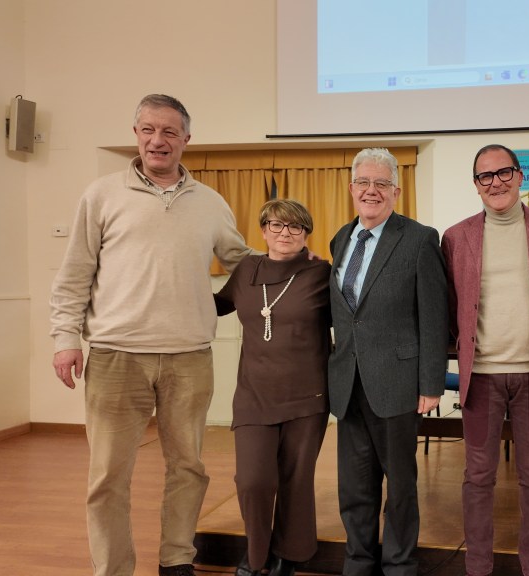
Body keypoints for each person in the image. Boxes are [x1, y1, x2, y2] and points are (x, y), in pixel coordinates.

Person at [50, 94, 254, 576]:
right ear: (136, 134)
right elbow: (74, 273)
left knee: (189, 468)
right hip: (116, 358)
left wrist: (296, 268)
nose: (157, 140)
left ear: (186, 139)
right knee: (107, 476)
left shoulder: (210, 202)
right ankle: (113, 568)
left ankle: (177, 560)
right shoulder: (101, 195)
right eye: (148, 129)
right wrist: (65, 338)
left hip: (189, 357)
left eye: (168, 131)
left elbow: (243, 264)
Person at [441, 144, 529, 576]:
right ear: (476, 185)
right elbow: (450, 306)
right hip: (481, 377)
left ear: (520, 176)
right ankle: (477, 567)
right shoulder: (456, 237)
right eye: (485, 176)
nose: (495, 182)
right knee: (478, 476)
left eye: (504, 173)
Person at [327, 148, 449, 576]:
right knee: (354, 487)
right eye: (364, 182)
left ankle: (399, 565)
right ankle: (358, 562)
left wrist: (431, 383)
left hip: (397, 383)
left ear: (396, 191)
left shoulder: (419, 238)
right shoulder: (341, 239)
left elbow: (434, 316)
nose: (371, 191)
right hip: (348, 384)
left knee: (399, 487)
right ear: (351, 188)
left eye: (381, 183)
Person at [213, 199, 331, 576]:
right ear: (263, 230)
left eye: (295, 227)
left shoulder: (321, 272)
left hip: (307, 395)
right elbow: (216, 305)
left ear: (306, 234)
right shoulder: (247, 269)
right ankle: (257, 554)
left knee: (296, 481)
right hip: (254, 394)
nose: (285, 233)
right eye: (277, 225)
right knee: (253, 481)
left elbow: (352, 319)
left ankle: (288, 556)